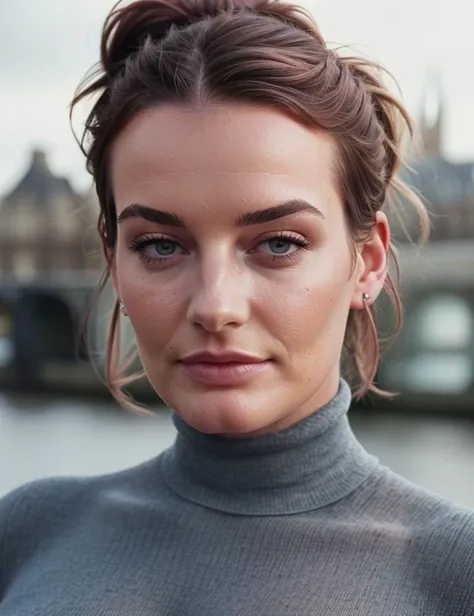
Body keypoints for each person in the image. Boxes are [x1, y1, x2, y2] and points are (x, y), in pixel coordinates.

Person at [1, 0, 473, 613]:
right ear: (113, 259)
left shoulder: (454, 575)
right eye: (161, 245)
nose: (216, 306)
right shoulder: (26, 533)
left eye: (279, 243)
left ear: (369, 261)